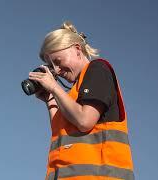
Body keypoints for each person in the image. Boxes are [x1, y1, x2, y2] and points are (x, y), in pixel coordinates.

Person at [29, 21, 134, 180]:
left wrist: (55, 88)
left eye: (58, 61)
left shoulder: (98, 69)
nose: (56, 71)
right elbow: (64, 132)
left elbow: (84, 121)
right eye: (51, 65)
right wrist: (50, 99)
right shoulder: (72, 94)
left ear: (77, 49)